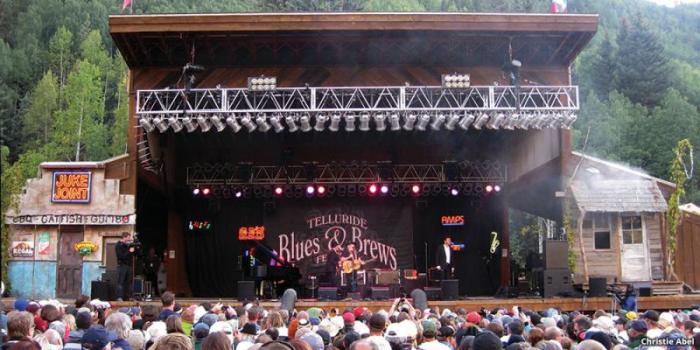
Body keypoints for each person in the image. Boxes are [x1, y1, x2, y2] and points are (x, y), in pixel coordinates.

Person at [115, 232, 135, 301]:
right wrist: (129, 251)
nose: (129, 239)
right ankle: (119, 297)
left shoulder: (127, 245)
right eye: (129, 238)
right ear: (124, 237)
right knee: (121, 282)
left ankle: (129, 297)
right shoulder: (118, 245)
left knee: (129, 282)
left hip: (129, 266)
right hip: (122, 265)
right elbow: (121, 256)